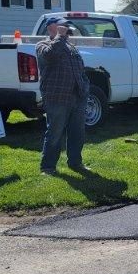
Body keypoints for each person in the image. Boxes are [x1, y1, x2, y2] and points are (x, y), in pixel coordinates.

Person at [36, 17, 90, 175]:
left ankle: (75, 163)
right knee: (54, 132)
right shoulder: (42, 45)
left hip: (78, 97)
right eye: (61, 24)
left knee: (77, 132)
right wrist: (59, 37)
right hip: (56, 97)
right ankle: (47, 167)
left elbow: (80, 70)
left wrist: (85, 88)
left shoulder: (71, 47)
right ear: (50, 27)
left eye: (66, 25)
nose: (65, 27)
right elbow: (49, 56)